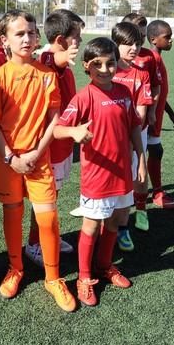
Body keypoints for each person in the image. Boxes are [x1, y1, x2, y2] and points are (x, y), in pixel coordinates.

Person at [0, 10, 77, 312]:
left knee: (47, 217)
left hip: (39, 159)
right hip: (8, 160)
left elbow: (54, 119)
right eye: (19, 33)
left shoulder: (47, 75)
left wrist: (36, 153)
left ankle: (53, 277)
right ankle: (16, 269)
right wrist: (11, 156)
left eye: (31, 32)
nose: (27, 38)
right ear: (5, 40)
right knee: (13, 213)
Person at [55, 37, 146, 306]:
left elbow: (133, 128)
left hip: (122, 172)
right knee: (91, 226)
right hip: (97, 176)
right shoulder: (84, 97)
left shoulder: (124, 93)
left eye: (111, 63)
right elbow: (59, 129)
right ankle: (84, 277)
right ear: (86, 66)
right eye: (98, 64)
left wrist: (140, 159)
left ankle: (104, 266)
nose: (105, 69)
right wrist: (74, 131)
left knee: (117, 221)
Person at [25, 9, 81, 266]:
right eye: (76, 37)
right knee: (45, 198)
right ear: (60, 39)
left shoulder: (58, 59)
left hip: (64, 142)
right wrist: (64, 54)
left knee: (53, 195)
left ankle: (50, 236)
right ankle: (34, 243)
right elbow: (53, 58)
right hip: (52, 145)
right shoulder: (47, 58)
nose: (79, 42)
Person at [110, 22, 153, 249]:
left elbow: (141, 113)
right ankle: (105, 223)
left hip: (132, 138)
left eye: (137, 43)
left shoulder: (141, 75)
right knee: (109, 183)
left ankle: (125, 226)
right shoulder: (106, 71)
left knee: (130, 182)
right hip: (108, 141)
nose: (134, 48)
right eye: (127, 43)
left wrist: (129, 142)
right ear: (115, 44)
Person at [144, 19, 174, 209]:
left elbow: (159, 92)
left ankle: (153, 192)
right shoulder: (153, 59)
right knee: (152, 152)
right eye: (167, 37)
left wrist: (171, 114)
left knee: (154, 151)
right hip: (149, 118)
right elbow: (149, 92)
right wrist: (150, 115)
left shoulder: (157, 58)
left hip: (155, 116)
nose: (170, 41)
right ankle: (156, 193)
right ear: (153, 39)